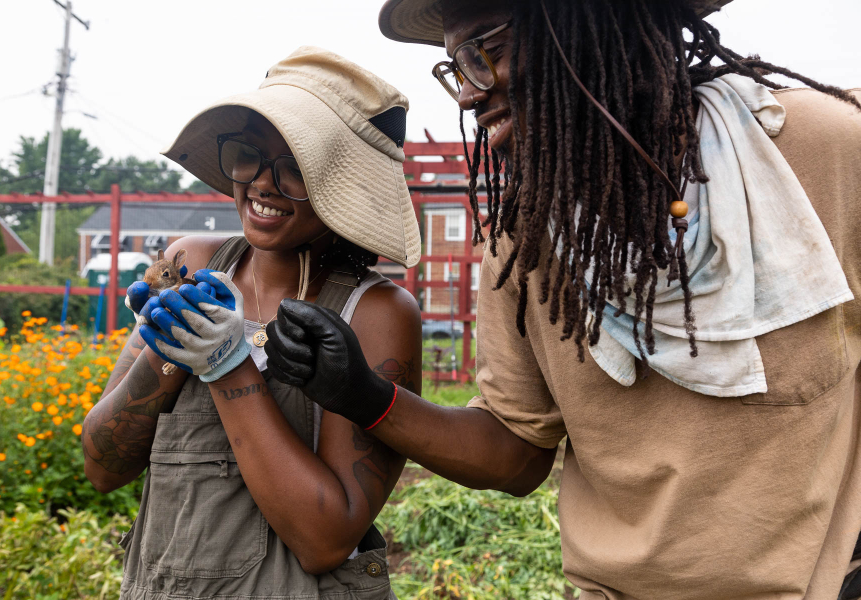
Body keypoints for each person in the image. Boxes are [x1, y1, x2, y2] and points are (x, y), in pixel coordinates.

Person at [263, 1, 861, 598]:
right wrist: (362, 394)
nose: (468, 96)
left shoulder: (822, 152)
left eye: (486, 53)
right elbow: (515, 452)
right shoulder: (527, 236)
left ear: (596, 24)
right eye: (455, 68)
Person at [82, 47, 422, 600]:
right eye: (248, 155)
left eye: (294, 167)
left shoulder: (373, 312)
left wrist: (227, 366)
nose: (262, 184)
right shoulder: (190, 263)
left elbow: (326, 540)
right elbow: (103, 465)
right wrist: (165, 352)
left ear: (343, 185)